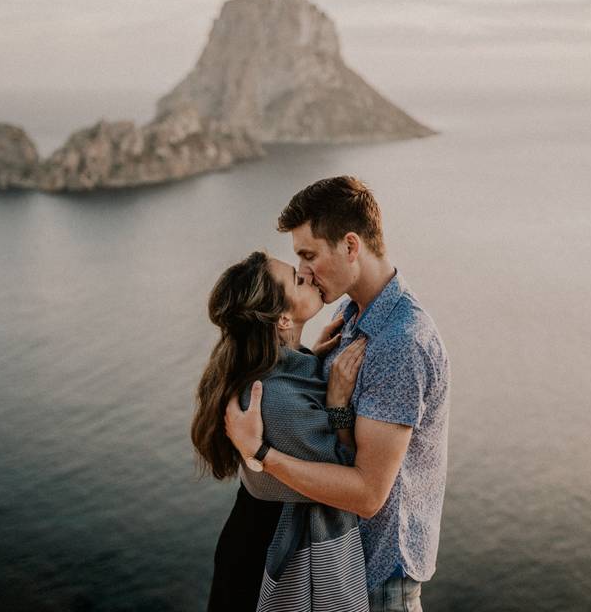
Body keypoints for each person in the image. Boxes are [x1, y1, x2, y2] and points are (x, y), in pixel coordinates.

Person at [226, 176, 450, 611]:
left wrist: (261, 452)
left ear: (351, 246)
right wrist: (312, 359)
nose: (304, 272)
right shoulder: (352, 313)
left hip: (378, 583)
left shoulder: (401, 343)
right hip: (340, 573)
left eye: (308, 255)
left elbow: (367, 494)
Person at [192, 250, 371, 611]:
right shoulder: (272, 399)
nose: (308, 273)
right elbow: (347, 474)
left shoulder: (275, 368)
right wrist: (336, 405)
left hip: (250, 538)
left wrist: (314, 361)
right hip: (265, 562)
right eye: (297, 279)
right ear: (284, 319)